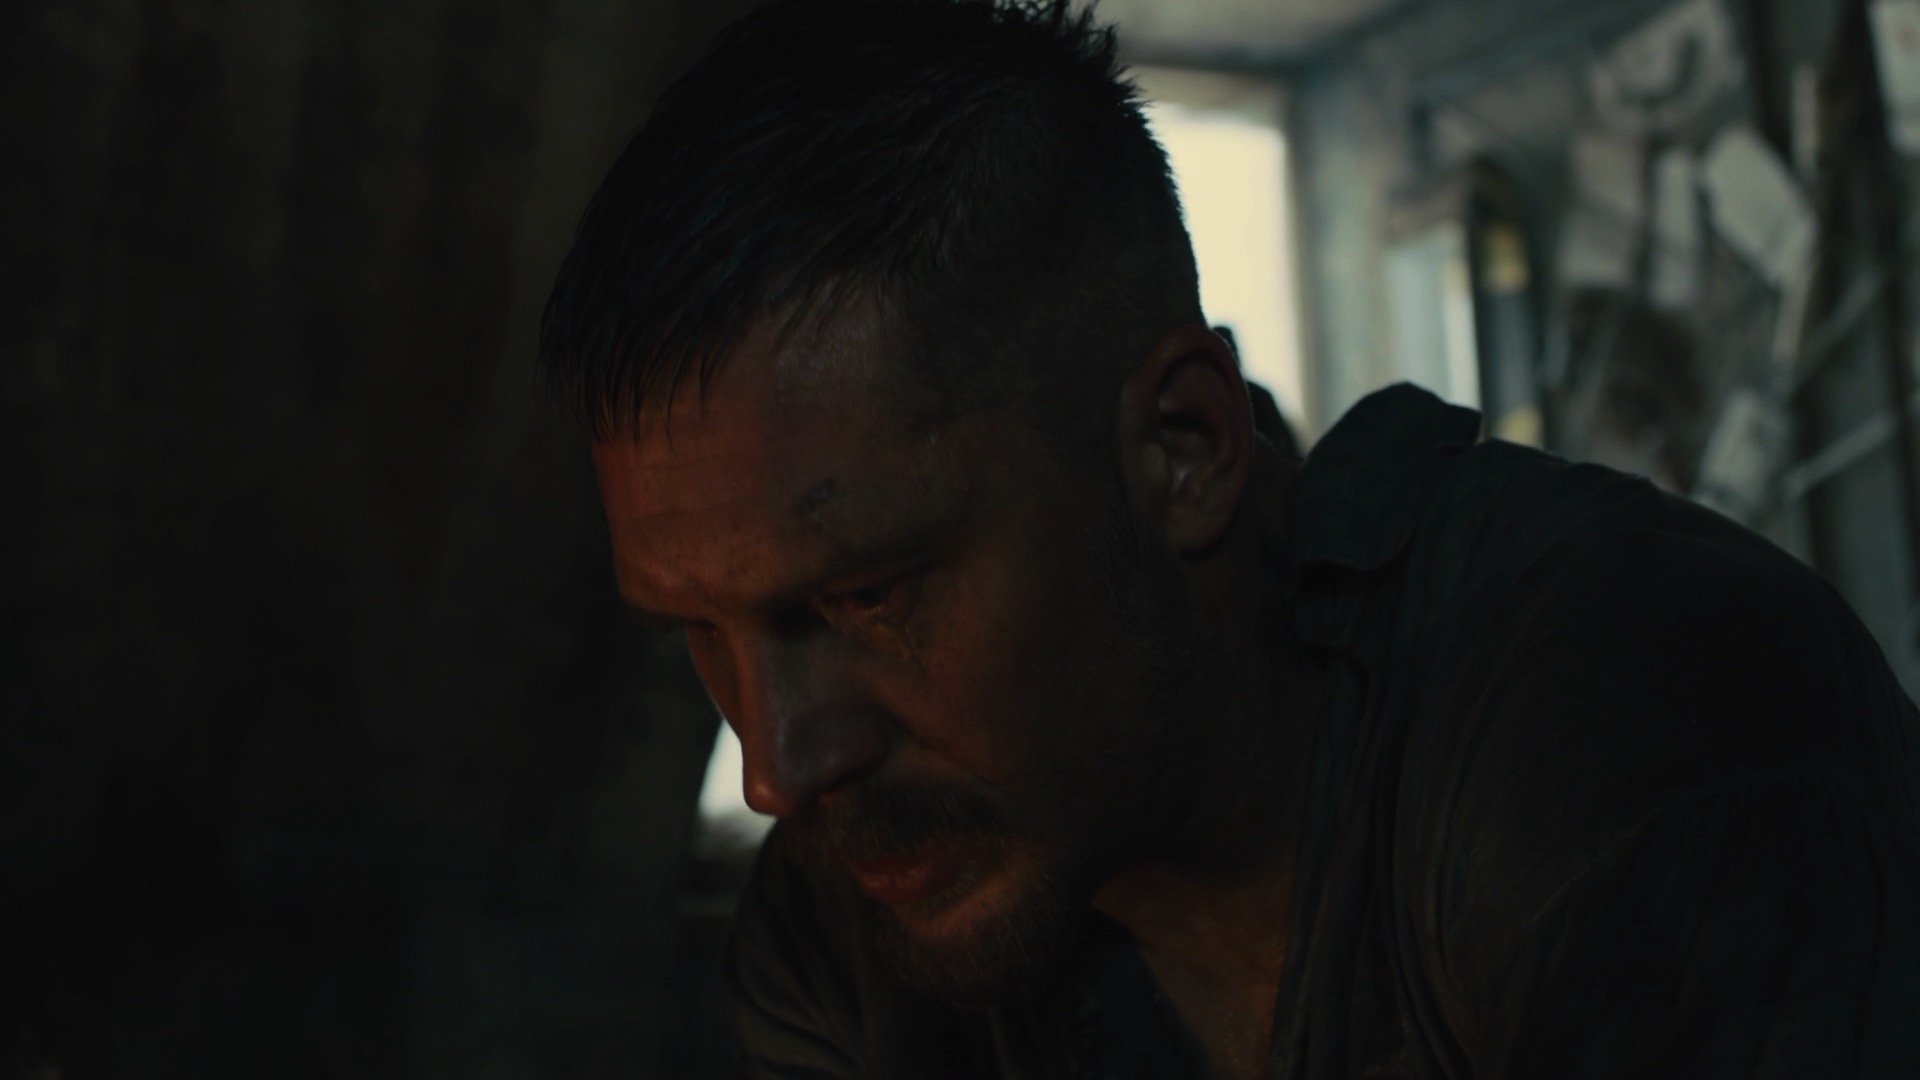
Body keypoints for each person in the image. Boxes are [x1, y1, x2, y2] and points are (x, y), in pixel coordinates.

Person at [537, 1, 1920, 1076]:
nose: (779, 768)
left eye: (867, 596)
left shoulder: (1615, 724)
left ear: (1185, 448)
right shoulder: (860, 926)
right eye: (701, 633)